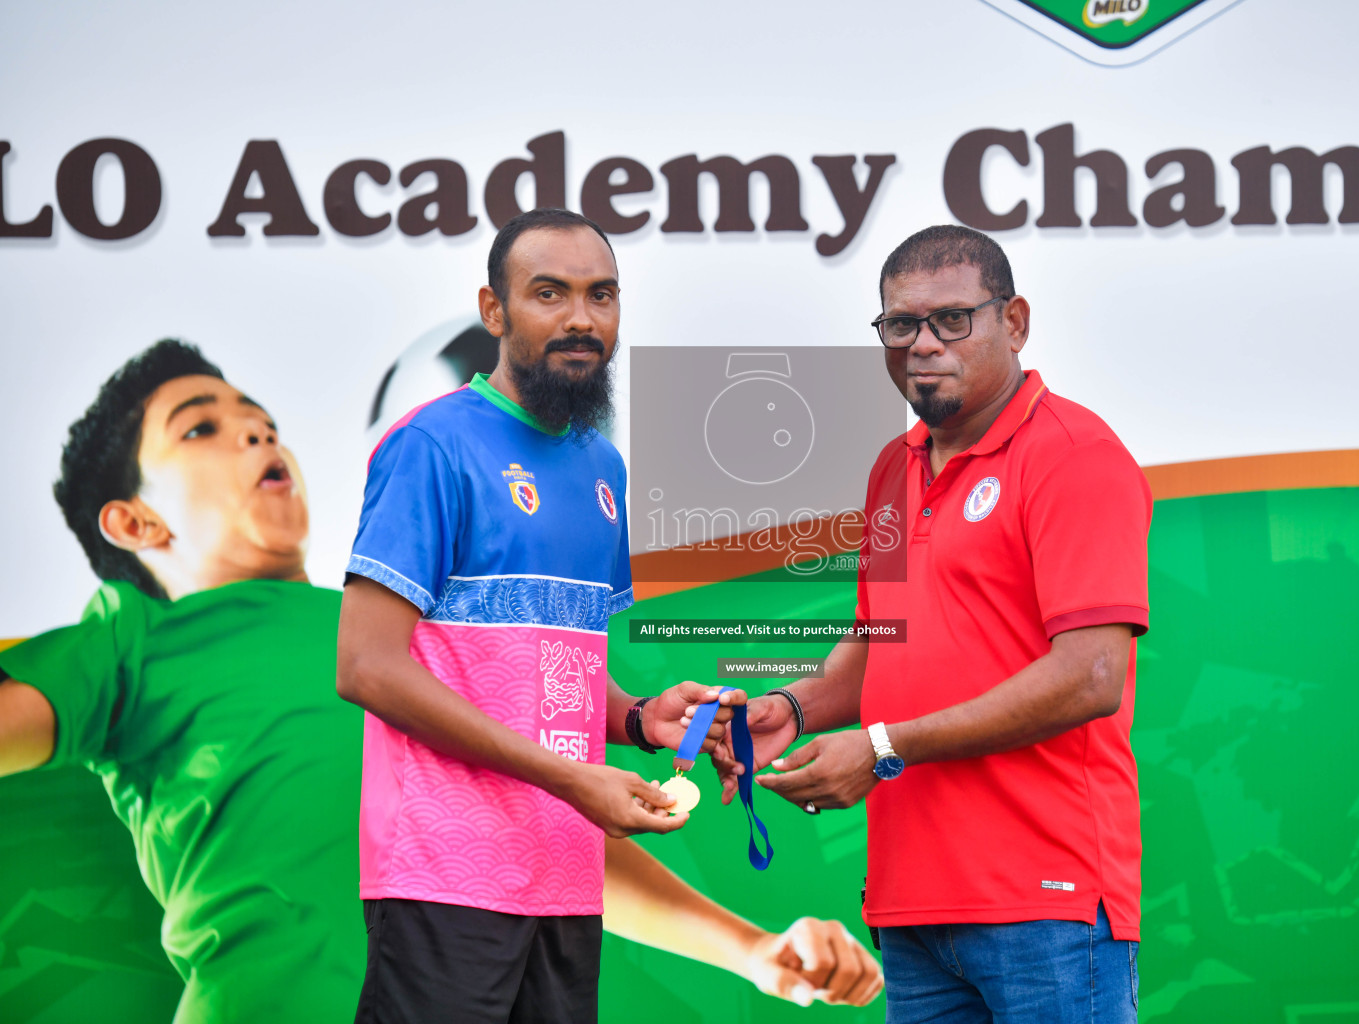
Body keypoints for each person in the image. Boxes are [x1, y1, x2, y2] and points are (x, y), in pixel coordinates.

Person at [0, 339, 882, 1023]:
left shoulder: (404, 635)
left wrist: (755, 950)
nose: (258, 432)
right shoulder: (130, 642)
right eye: (201, 426)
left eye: (259, 417)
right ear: (134, 520)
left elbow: (534, 844)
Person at [338, 207, 844, 1022]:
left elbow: (553, 671)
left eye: (601, 295)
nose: (582, 319)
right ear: (494, 311)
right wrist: (572, 778)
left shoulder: (601, 465)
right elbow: (367, 666)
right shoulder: (430, 446)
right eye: (550, 294)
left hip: (565, 879)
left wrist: (641, 720)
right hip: (447, 879)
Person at [717, 224, 1152, 1023]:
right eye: (901, 325)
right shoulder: (894, 466)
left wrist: (882, 749)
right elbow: (878, 648)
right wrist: (792, 710)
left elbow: (1092, 676)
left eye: (953, 320)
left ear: (1013, 322)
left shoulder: (1074, 453)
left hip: (1046, 906)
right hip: (912, 910)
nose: (923, 344)